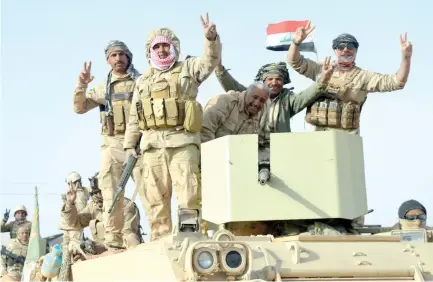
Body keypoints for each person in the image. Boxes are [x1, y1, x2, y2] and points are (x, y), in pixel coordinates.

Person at [123, 13, 221, 241]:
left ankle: (190, 239)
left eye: (165, 46)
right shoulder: (143, 80)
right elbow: (134, 116)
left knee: (188, 195)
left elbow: (211, 60)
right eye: (156, 47)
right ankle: (160, 242)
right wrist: (129, 145)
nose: (161, 50)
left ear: (174, 47)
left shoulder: (188, 68)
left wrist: (211, 39)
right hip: (152, 148)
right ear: (150, 51)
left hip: (182, 143)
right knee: (155, 200)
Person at [72, 40, 142, 249]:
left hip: (139, 144)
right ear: (108, 60)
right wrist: (82, 85)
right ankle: (113, 240)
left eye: (122, 54)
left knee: (150, 189)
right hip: (112, 143)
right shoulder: (103, 87)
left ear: (128, 57)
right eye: (113, 55)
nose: (118, 58)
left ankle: (159, 232)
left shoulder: (142, 82)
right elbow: (79, 107)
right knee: (110, 191)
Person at [287, 21, 412, 135]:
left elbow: (397, 82)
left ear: (356, 50)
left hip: (347, 139)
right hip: (318, 135)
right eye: (341, 47)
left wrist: (406, 57)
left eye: (350, 46)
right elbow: (295, 62)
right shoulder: (322, 68)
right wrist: (296, 42)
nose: (345, 50)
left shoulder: (364, 77)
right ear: (335, 50)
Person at [202, 58, 334, 143]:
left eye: (279, 79)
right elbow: (232, 85)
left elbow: (307, 95)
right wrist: (219, 68)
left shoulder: (289, 101)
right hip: (253, 148)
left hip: (279, 149)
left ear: (283, 82)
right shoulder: (252, 96)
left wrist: (323, 79)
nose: (274, 83)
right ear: (263, 81)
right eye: (270, 79)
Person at [61, 178, 142, 252]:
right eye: (95, 193)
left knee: (131, 238)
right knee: (76, 247)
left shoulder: (126, 205)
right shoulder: (93, 207)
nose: (98, 195)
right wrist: (69, 203)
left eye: (100, 192)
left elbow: (128, 233)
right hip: (103, 250)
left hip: (122, 248)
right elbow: (74, 223)